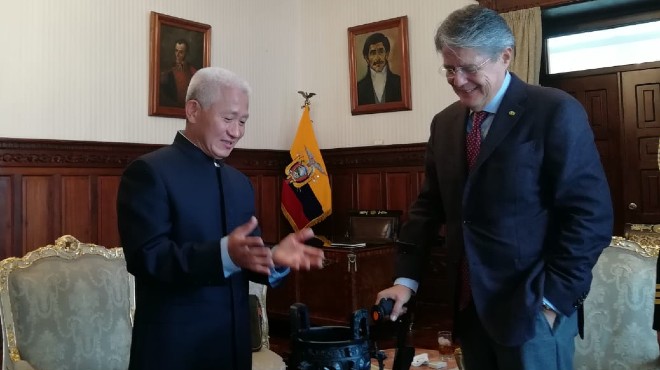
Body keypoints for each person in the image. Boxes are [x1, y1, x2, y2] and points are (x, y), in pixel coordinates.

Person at [375, 5, 613, 370]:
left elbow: (590, 217)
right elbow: (429, 207)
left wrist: (551, 300)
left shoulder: (554, 111)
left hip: (532, 312)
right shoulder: (445, 123)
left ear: (505, 56)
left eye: (469, 68)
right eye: (449, 69)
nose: (457, 80)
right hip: (469, 310)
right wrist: (405, 280)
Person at [117, 67, 325, 370]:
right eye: (228, 119)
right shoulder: (149, 173)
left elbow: (245, 253)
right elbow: (147, 258)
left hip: (233, 352)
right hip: (174, 353)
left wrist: (273, 258)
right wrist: (222, 255)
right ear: (193, 110)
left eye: (242, 121)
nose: (236, 132)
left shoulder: (239, 183)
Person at [356, 32, 402, 105]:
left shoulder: (400, 83)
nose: (377, 58)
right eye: (373, 53)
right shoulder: (358, 88)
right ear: (366, 58)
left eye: (381, 52)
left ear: (387, 54)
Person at [160, 39, 197, 107]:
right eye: (176, 51)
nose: (177, 54)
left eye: (181, 52)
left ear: (186, 53)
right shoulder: (168, 70)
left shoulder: (192, 71)